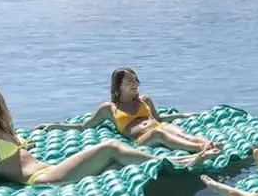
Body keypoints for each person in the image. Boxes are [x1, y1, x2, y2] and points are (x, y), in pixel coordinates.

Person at [0, 80, 207, 196]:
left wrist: (22, 144)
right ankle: (178, 161)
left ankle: (174, 169)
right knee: (110, 148)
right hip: (43, 180)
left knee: (116, 163)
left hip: (49, 169)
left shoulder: (0, 128)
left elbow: (7, 157)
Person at [36, 67, 222, 158]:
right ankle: (200, 149)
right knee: (159, 133)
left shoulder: (145, 100)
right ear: (119, 86)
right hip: (142, 138)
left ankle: (207, 143)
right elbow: (84, 126)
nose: (135, 84)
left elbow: (158, 118)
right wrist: (54, 126)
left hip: (158, 127)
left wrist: (184, 115)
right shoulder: (109, 108)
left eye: (135, 80)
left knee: (175, 130)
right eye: (129, 81)